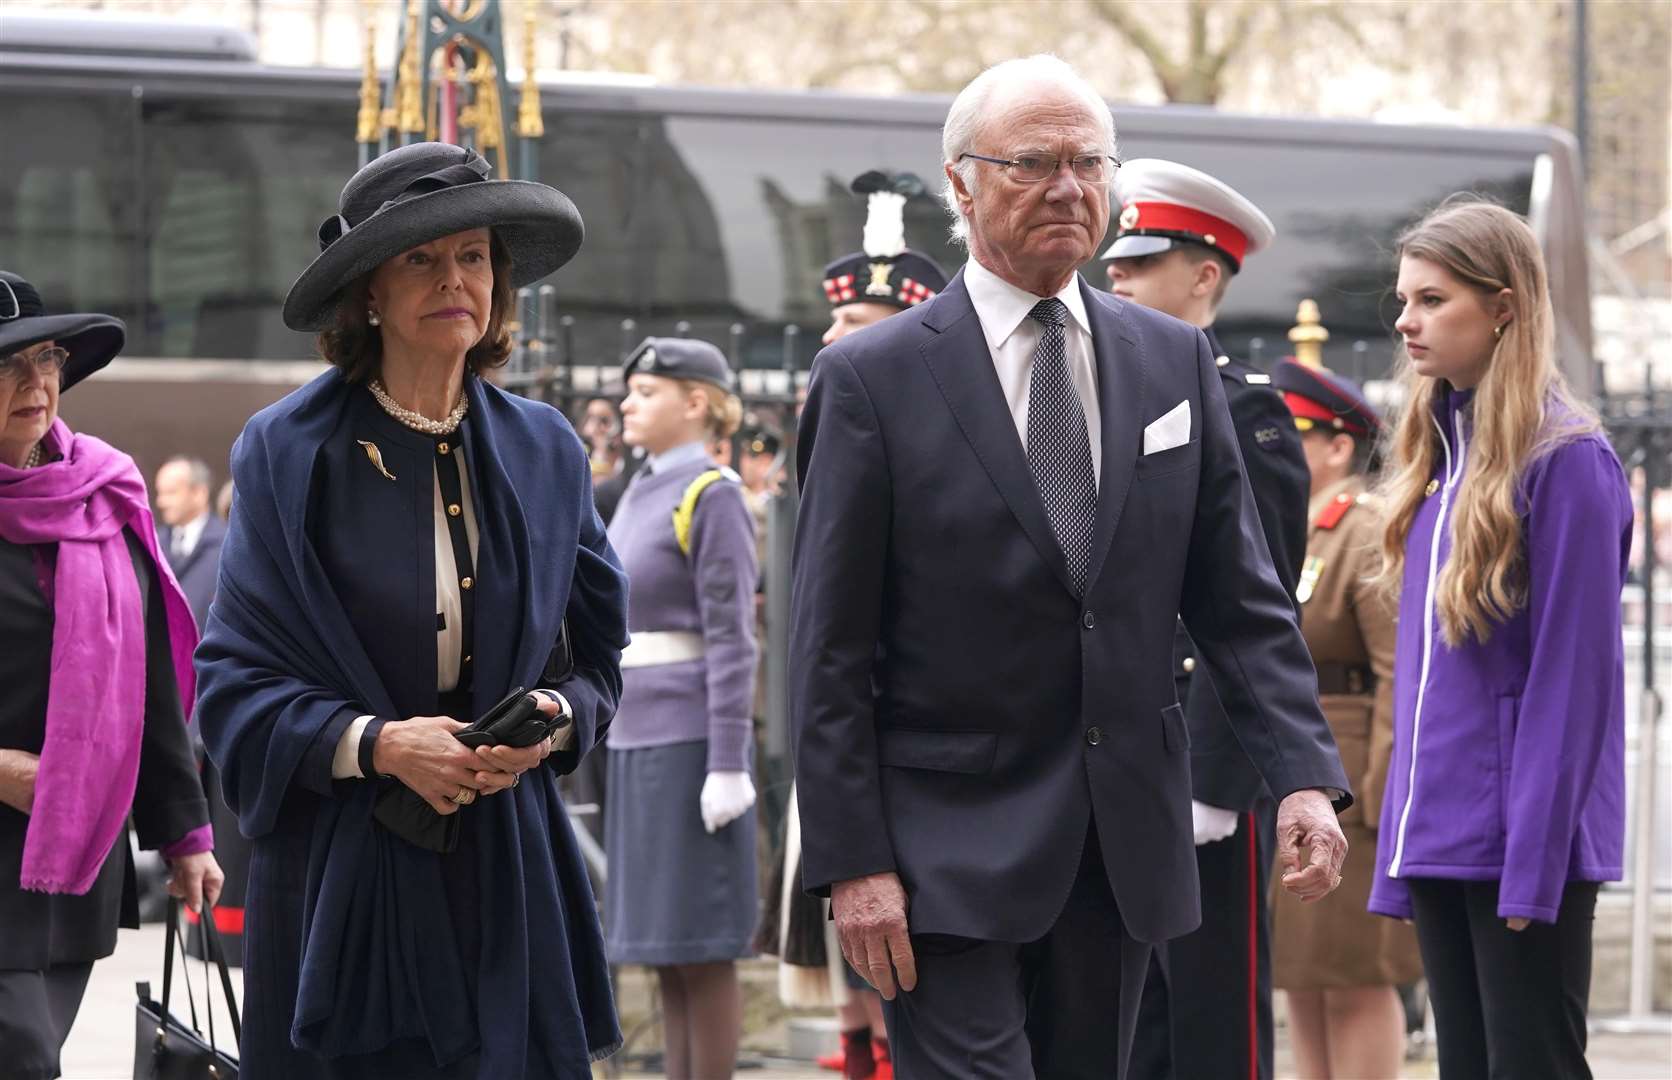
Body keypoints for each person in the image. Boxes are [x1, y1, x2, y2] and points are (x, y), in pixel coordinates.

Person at [790, 55, 1351, 1079]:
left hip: (1117, 843)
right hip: (937, 853)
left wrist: (1303, 777)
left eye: (1090, 164)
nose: (1068, 189)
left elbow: (1238, 601)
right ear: (961, 184)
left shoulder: (1169, 362)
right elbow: (828, 643)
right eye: (1033, 163)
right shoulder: (871, 378)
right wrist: (851, 859)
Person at [194, 142, 628, 1078]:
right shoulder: (287, 449)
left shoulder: (546, 448)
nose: (455, 279)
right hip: (347, 880)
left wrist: (554, 722)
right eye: (421, 259)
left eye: (473, 256)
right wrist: (382, 743)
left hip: (508, 870)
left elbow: (597, 661)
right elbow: (229, 687)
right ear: (369, 295)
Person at [1368, 199, 1631, 1080]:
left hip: (1525, 845)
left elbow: (1574, 683)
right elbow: (1421, 685)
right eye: (1404, 299)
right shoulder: (1441, 465)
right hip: (1442, 832)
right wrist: (1400, 857)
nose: (1406, 320)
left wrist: (1535, 863)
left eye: (1433, 299)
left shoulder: (1569, 463)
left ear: (1505, 306)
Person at [1104, 159, 1309, 1080]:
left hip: (1198, 768)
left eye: (1142, 260)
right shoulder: (1099, 397)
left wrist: (1219, 782)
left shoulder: (1248, 414)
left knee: (1211, 1015)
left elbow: (1250, 614)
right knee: (1126, 1019)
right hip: (1113, 759)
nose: (1116, 273)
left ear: (1204, 278)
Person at [0, 270, 223, 1080]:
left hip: (75, 863)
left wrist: (186, 835)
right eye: (9, 365)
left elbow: (151, 688)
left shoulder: (102, 498)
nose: (37, 383)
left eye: (49, 358)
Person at [773, 172, 951, 1080]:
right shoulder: (824, 417)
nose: (830, 339)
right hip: (835, 715)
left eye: (852, 325)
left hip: (908, 720)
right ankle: (856, 1051)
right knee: (836, 908)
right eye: (832, 325)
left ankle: (884, 1054)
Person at [604, 337, 760, 1080]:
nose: (628, 404)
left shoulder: (713, 494)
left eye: (647, 391)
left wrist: (728, 761)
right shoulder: (641, 489)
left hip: (692, 741)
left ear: (696, 402)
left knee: (701, 946)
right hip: (635, 733)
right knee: (662, 948)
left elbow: (734, 640)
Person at [1267, 360, 1422, 1079]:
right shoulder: (1295, 528)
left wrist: (1383, 796)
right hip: (1302, 772)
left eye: (1293, 435)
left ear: (1336, 446)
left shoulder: (1362, 529)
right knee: (1302, 973)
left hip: (1352, 780)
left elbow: (1396, 669)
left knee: (1355, 975)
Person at [154, 456, 226, 631]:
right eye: (159, 493)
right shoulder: (154, 543)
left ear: (199, 493)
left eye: (171, 492)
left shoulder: (227, 545)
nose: (161, 502)